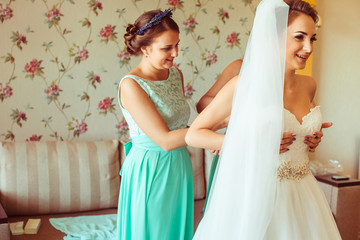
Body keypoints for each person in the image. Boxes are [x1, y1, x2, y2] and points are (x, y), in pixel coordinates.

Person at [186, 0, 342, 239]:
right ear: (273, 37)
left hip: (304, 194)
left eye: (312, 38)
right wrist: (249, 141)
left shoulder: (309, 85)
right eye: (299, 37)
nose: (308, 48)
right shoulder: (245, 85)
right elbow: (194, 134)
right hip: (257, 195)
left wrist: (312, 135)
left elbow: (295, 126)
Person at [116, 9, 193, 240]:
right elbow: (166, 139)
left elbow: (180, 127)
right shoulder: (131, 85)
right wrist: (212, 137)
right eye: (167, 48)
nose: (175, 53)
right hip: (151, 168)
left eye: (177, 45)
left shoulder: (174, 74)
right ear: (145, 48)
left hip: (179, 165)